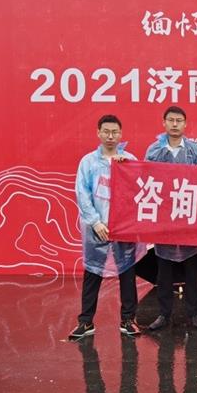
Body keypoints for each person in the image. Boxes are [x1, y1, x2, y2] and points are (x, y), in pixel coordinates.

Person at [69, 114, 141, 341]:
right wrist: (96, 221)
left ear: (121, 134)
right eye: (106, 132)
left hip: (123, 227)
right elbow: (82, 193)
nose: (111, 136)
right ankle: (86, 321)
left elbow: (139, 189)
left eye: (115, 132)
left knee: (127, 272)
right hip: (97, 227)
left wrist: (127, 168)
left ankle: (128, 319)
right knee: (93, 272)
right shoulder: (88, 162)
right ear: (98, 133)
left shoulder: (129, 159)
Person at [144, 106, 197, 331]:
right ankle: (164, 314)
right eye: (170, 120)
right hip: (164, 218)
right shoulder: (154, 150)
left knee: (192, 270)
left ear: (185, 124)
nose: (174, 124)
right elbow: (144, 178)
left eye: (178, 120)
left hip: (189, 217)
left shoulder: (195, 150)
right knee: (164, 270)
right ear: (164, 123)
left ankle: (194, 313)